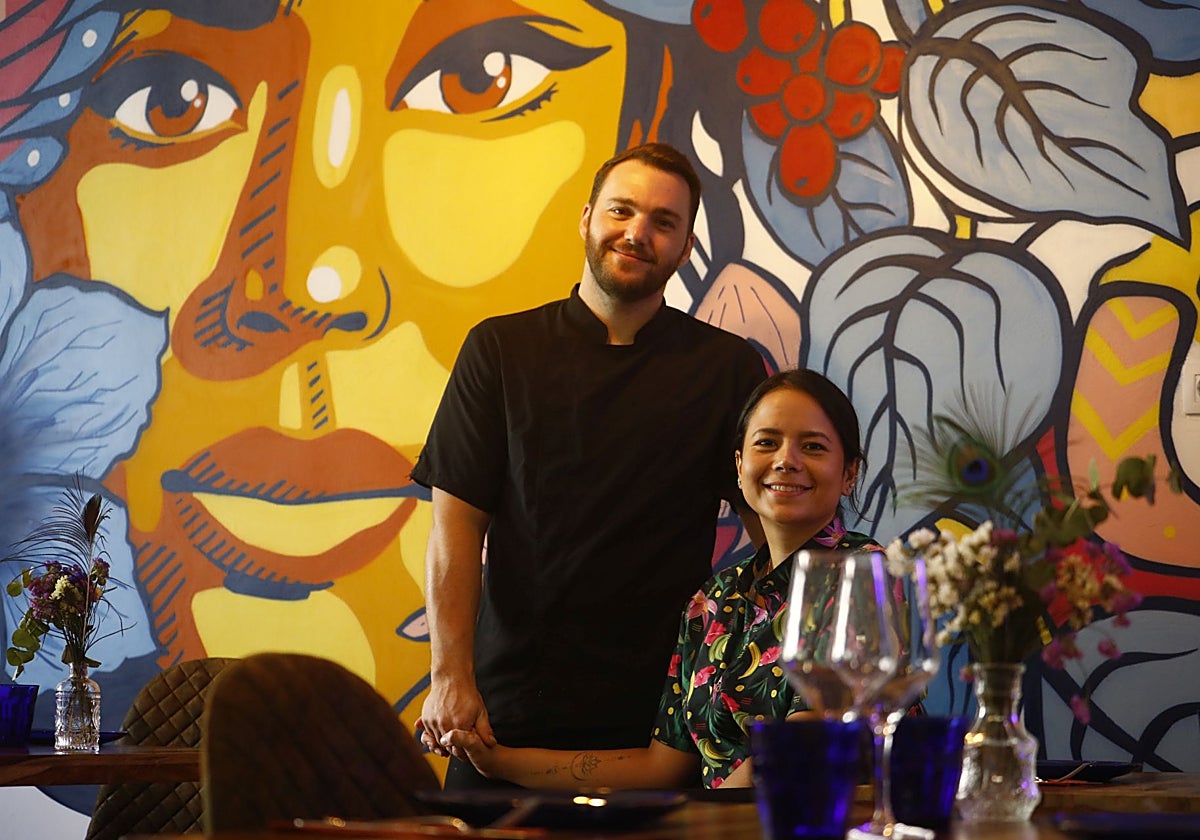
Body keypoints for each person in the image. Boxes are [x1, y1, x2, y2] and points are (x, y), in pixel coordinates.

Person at [411, 142, 768, 789]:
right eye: (622, 211)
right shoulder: (499, 350)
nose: (637, 233)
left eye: (664, 222)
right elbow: (453, 533)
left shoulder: (726, 368)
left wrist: (769, 683)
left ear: (686, 246)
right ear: (586, 219)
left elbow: (772, 538)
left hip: (664, 719)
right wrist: (448, 679)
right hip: (503, 710)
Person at [440, 368, 879, 789]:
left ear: (849, 474)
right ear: (740, 464)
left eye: (814, 447)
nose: (786, 461)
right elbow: (659, 766)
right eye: (767, 442)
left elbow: (802, 749)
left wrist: (708, 825)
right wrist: (498, 762)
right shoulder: (713, 601)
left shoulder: (866, 572)